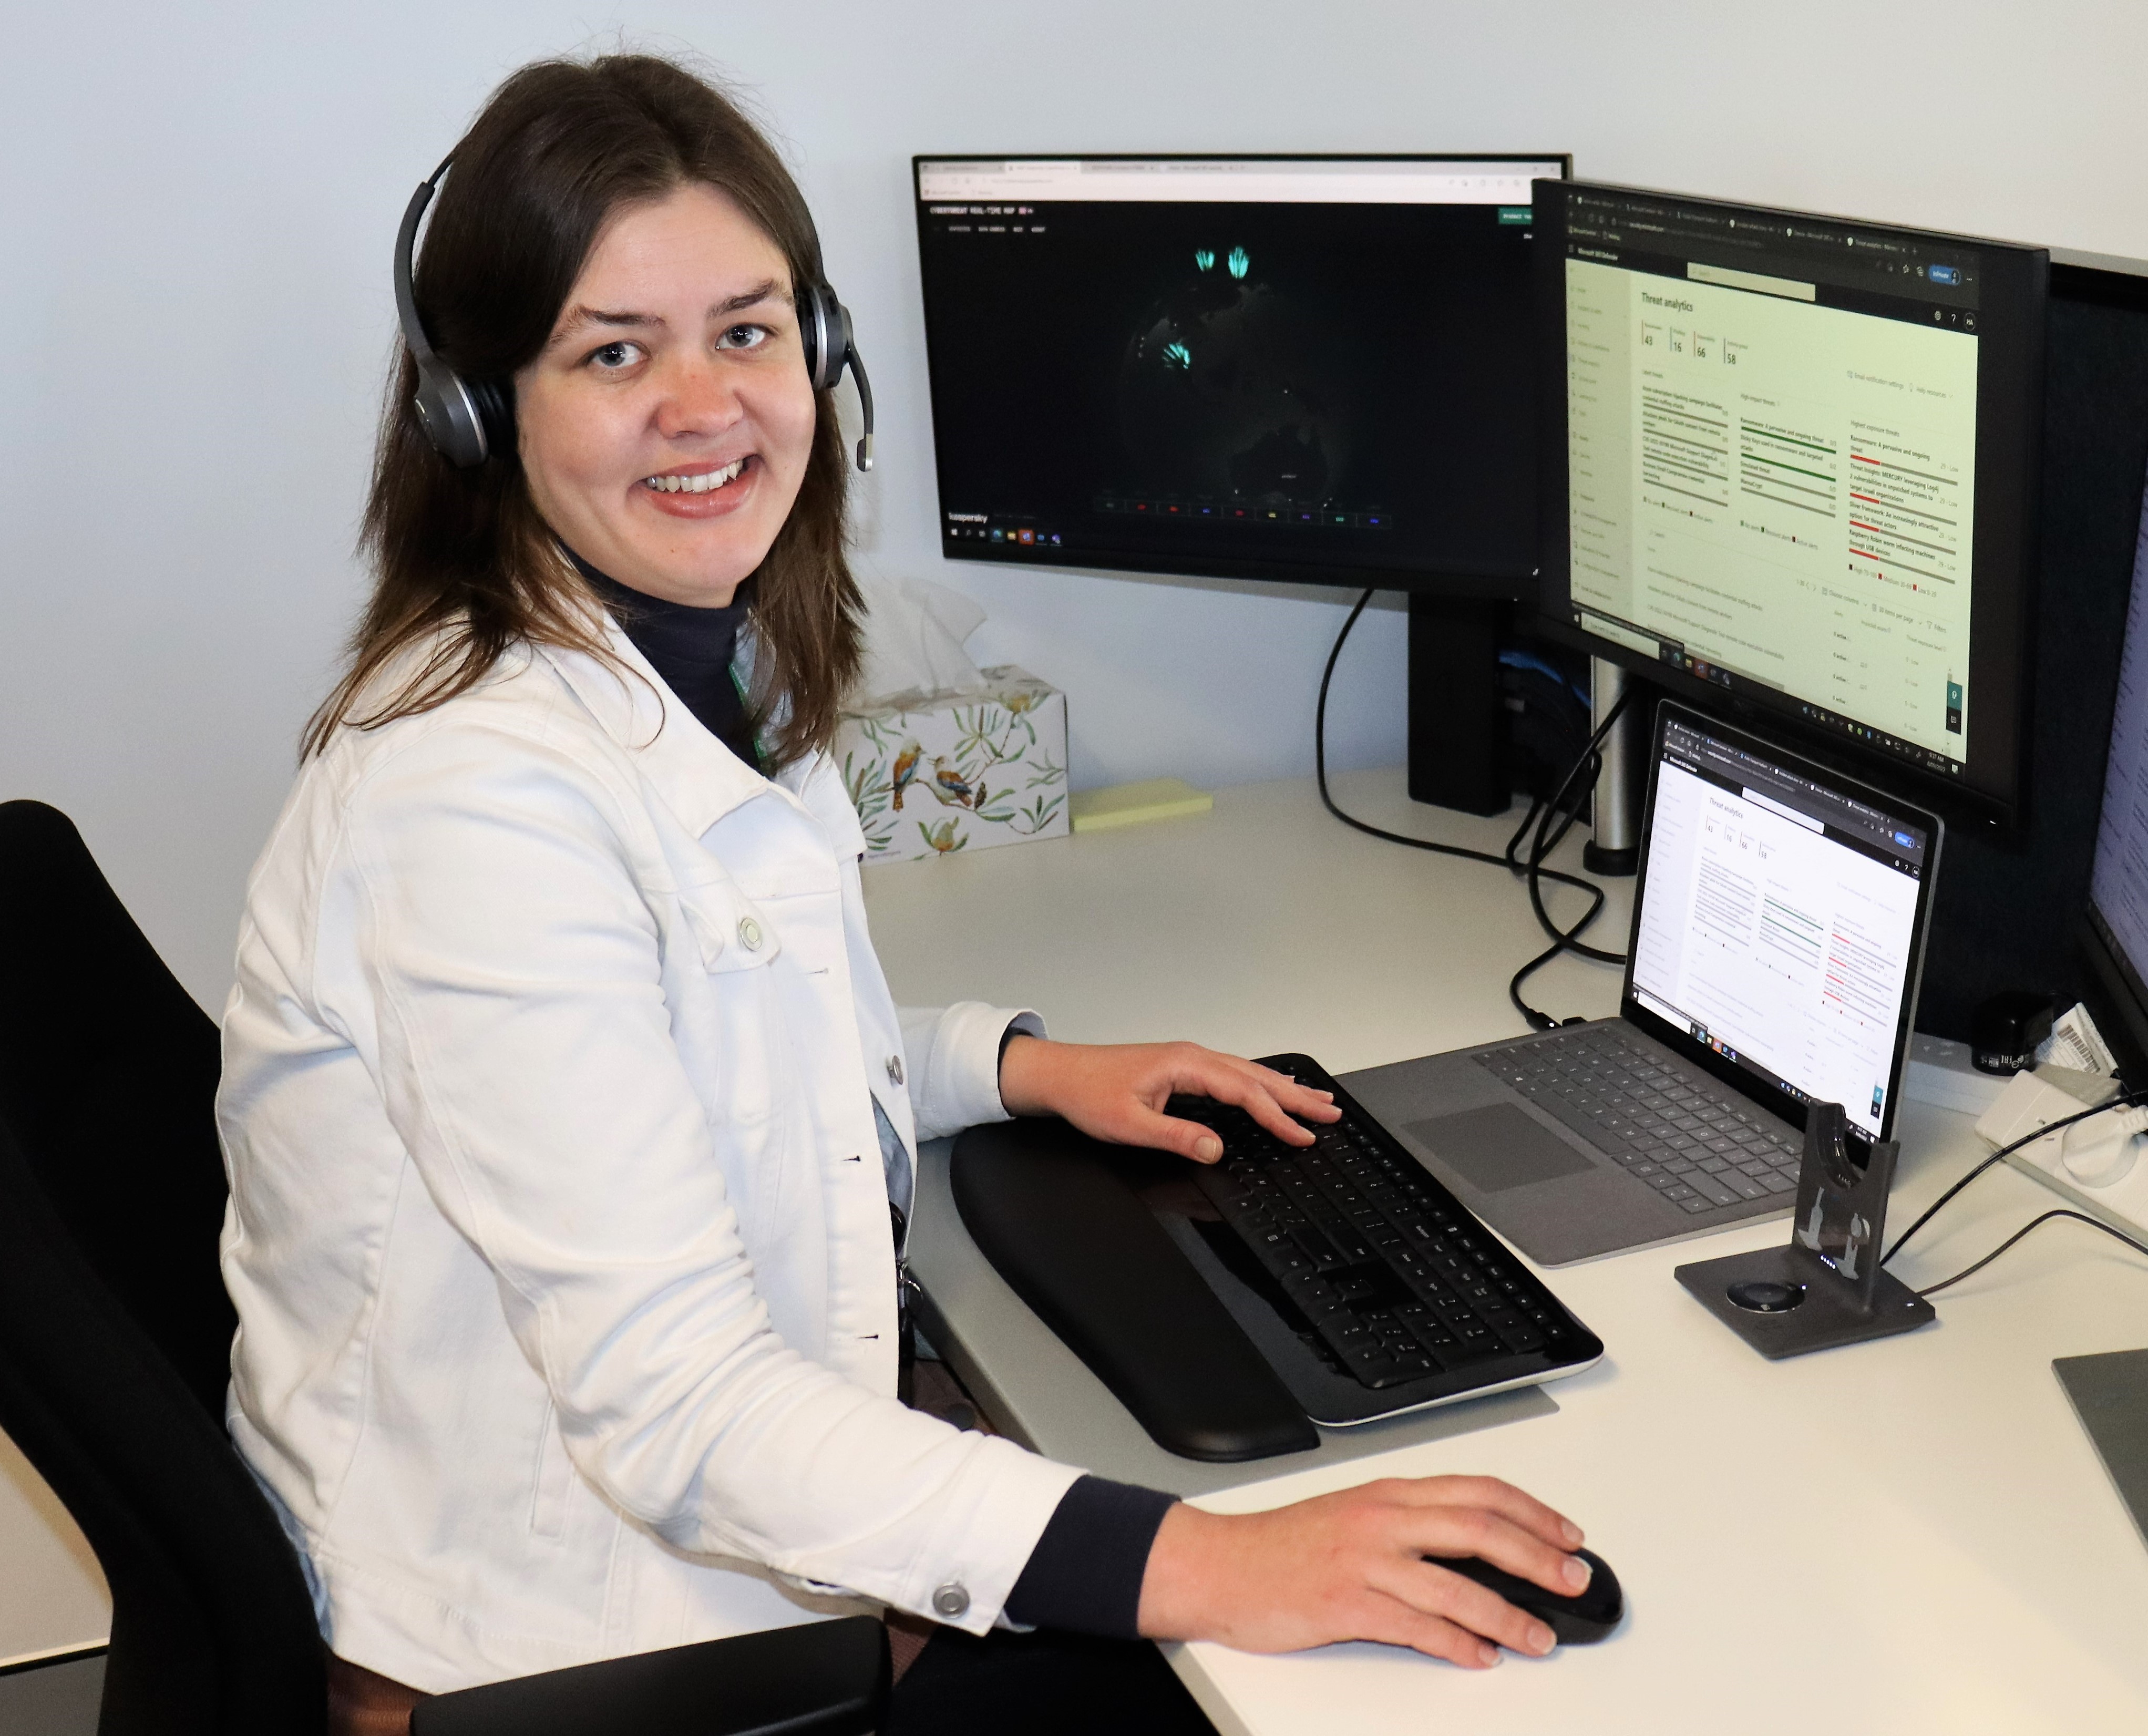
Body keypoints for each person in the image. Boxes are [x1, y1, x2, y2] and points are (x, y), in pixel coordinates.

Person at [216, 52, 1596, 1735]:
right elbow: (682, 1413)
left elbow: (718, 1028)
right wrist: (1220, 1567)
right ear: (480, 410)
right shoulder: (471, 806)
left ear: (824, 353)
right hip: (576, 1648)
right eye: (612, 352)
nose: (708, 403)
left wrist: (1002, 1068)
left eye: (747, 329)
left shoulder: (689, 661)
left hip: (659, 1561)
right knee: (1234, 1683)